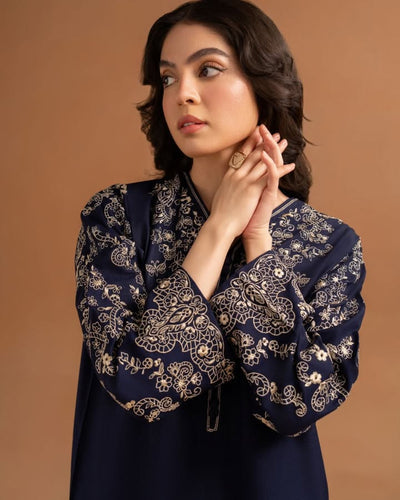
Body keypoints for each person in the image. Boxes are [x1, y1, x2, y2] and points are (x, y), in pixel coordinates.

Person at [70, 1, 366, 498]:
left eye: (208, 69)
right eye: (168, 78)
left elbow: (296, 402)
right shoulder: (117, 216)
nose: (182, 93)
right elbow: (135, 380)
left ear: (263, 83)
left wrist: (257, 240)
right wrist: (220, 227)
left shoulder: (330, 245)